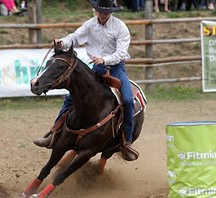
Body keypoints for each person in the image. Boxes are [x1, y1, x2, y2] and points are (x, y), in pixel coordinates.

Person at [33, 0, 138, 161]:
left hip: (116, 69)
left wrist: (105, 59)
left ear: (111, 12)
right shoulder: (90, 25)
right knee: (70, 98)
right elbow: (74, 38)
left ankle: (126, 141)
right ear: (95, 11)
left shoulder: (120, 27)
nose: (102, 15)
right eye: (100, 11)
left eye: (105, 12)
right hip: (96, 70)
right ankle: (54, 133)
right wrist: (63, 42)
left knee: (128, 100)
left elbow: (122, 53)